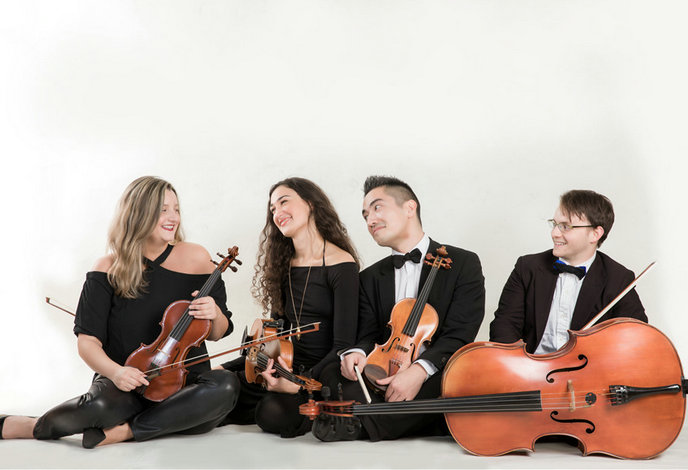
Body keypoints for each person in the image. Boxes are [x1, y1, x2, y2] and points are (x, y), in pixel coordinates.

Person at [0, 176, 239, 447]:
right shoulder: (107, 268)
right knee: (97, 407)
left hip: (185, 388)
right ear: (138, 213)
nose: (173, 217)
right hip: (125, 383)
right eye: (162, 210)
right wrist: (116, 373)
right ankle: (32, 425)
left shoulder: (198, 258)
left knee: (226, 385)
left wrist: (214, 314)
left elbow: (219, 332)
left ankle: (124, 431)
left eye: (176, 209)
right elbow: (87, 342)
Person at [313, 175, 485, 441]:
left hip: (435, 373)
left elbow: (460, 334)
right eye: (365, 215)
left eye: (377, 208)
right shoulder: (370, 277)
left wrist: (418, 371)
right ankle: (415, 420)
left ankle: (360, 423)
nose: (370, 220)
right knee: (333, 371)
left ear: (409, 208)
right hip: (383, 370)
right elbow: (369, 334)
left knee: (465, 378)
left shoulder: (463, 262)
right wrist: (358, 352)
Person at [218, 177, 360, 438]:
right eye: (272, 209)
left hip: (319, 374)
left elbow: (342, 347)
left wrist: (296, 384)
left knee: (272, 413)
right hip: (283, 366)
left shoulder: (342, 265)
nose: (277, 213)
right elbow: (273, 339)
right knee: (220, 383)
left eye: (284, 202)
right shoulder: (284, 266)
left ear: (311, 203)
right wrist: (226, 367)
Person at [490, 189, 647, 354]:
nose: (554, 233)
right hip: (530, 366)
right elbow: (504, 326)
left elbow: (637, 339)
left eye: (565, 226)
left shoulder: (619, 279)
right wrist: (519, 364)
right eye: (555, 224)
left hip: (588, 369)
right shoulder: (527, 267)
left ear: (595, 234)